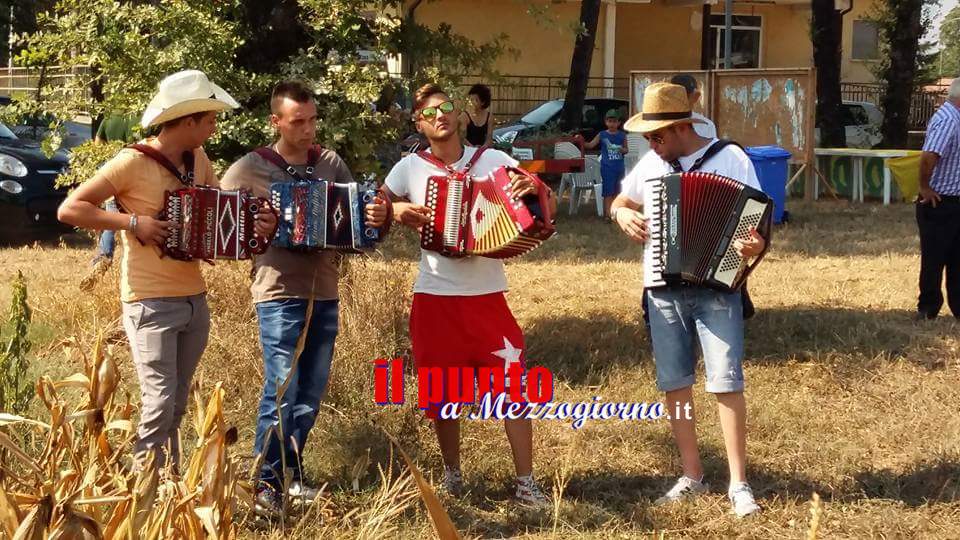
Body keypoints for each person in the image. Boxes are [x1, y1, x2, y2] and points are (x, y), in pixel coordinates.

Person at [57, 70, 276, 472]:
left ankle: (168, 488)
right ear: (189, 120)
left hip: (194, 299)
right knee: (158, 401)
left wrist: (257, 223)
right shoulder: (132, 161)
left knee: (175, 401)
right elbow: (70, 208)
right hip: (149, 300)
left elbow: (218, 215)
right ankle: (144, 491)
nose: (214, 126)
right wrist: (134, 223)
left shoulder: (199, 160)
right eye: (209, 118)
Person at [220, 80, 390, 519]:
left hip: (325, 290)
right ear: (276, 121)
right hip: (278, 291)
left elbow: (359, 225)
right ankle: (263, 486)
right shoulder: (251, 167)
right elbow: (219, 224)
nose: (309, 130)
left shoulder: (329, 162)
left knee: (309, 394)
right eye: (299, 122)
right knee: (281, 389)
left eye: (313, 120)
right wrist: (258, 225)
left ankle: (291, 477)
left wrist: (375, 216)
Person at [383, 83, 556, 506]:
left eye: (446, 108)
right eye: (429, 113)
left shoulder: (493, 160)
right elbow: (374, 211)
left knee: (513, 389)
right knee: (442, 392)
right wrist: (394, 210)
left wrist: (531, 190)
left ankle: (526, 484)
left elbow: (541, 199)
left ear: (459, 114)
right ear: (417, 122)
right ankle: (453, 475)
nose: (439, 116)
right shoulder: (409, 168)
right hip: (434, 296)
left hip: (487, 294)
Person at [610, 82, 766, 518]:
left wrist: (752, 246)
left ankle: (739, 483)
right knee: (674, 381)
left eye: (657, 136)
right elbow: (621, 199)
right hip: (661, 288)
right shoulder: (651, 162)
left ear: (681, 127)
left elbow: (758, 221)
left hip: (717, 288)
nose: (652, 144)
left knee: (726, 380)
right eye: (648, 138)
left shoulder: (730, 158)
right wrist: (622, 211)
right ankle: (692, 474)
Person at [916, 78, 960, 320]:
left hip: (955, 200)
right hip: (939, 201)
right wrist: (924, 186)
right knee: (935, 257)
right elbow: (929, 156)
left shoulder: (956, 119)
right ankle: (928, 307)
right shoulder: (948, 120)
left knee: (957, 258)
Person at [90, 113, 140, 270]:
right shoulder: (139, 117)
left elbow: (97, 146)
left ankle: (103, 258)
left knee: (111, 219)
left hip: (111, 175)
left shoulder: (109, 118)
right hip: (134, 175)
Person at [582, 109, 628, 217]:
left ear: (619, 123)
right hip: (607, 168)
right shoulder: (602, 135)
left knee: (618, 192)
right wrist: (581, 141)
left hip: (619, 167)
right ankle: (608, 215)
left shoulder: (622, 135)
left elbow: (626, 150)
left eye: (614, 121)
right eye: (610, 121)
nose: (612, 124)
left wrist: (621, 149)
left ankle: (616, 214)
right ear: (606, 122)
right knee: (608, 192)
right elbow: (590, 145)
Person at [670, 74, 717, 139]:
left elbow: (711, 148)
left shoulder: (706, 125)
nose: (683, 99)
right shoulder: (658, 124)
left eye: (687, 94)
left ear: (695, 97)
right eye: (679, 95)